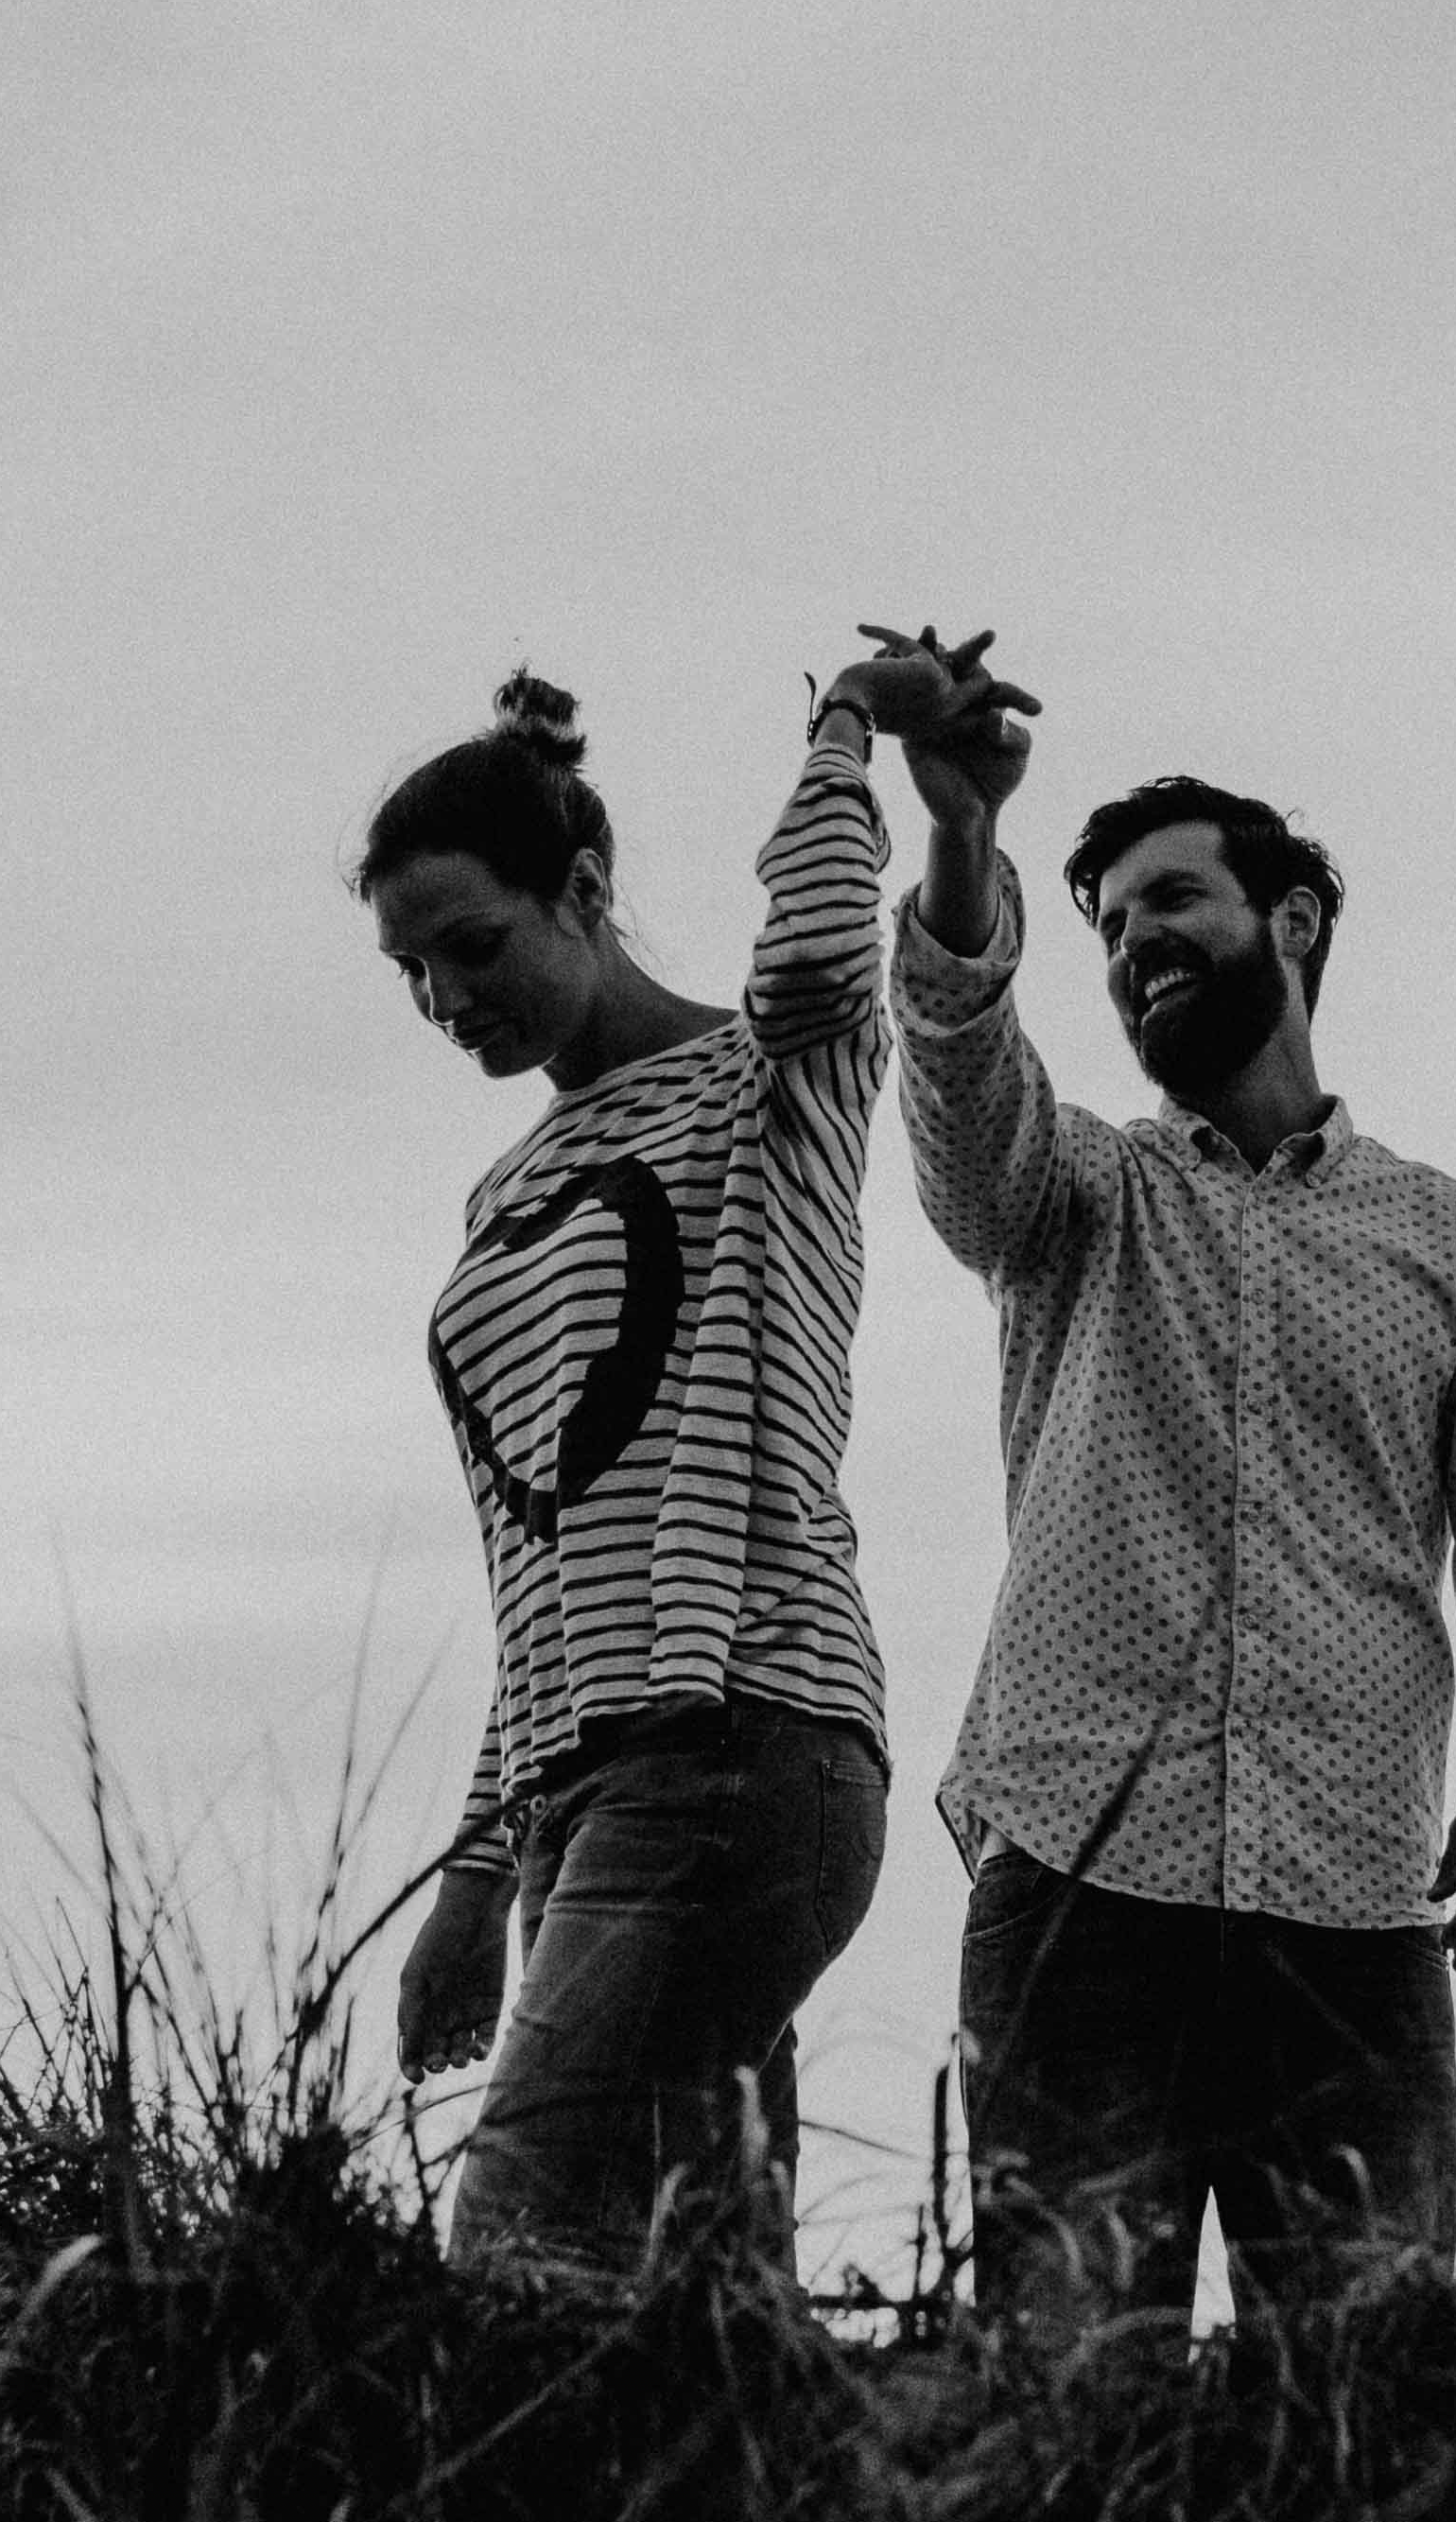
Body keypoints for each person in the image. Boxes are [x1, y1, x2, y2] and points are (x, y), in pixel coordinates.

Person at [891, 701, 1456, 2332]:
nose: (1138, 942)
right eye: (1114, 925)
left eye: (1172, 902)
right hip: (1079, 1883)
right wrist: (958, 840)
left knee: (1365, 2424)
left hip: (1353, 1908)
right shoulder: (1079, 1193)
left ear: (1290, 924)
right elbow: (959, 1107)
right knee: (1064, 2409)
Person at [358, 643, 1018, 2287]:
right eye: (410, 972)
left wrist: (848, 724)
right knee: (691, 2303)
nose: (448, 1000)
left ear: (584, 890)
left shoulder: (769, 1083)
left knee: (519, 2238)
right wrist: (474, 1867)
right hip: (584, 1791)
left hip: (743, 1743)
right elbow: (541, 1560)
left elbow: (812, 951)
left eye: (475, 945)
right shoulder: (497, 1202)